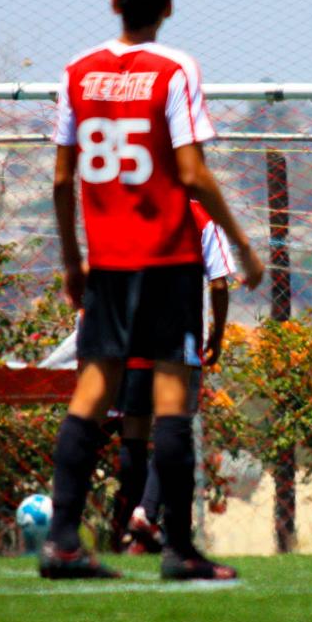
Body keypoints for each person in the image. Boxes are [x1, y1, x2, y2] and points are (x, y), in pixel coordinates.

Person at [43, 0, 262, 581]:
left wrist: (71, 259)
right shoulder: (175, 69)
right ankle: (179, 549)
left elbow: (62, 177)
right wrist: (243, 245)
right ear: (168, 6)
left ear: (115, 2)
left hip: (106, 263)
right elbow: (191, 173)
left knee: (91, 394)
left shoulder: (77, 73)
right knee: (172, 400)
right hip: (166, 259)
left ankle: (62, 541)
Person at [119, 198, 235, 554]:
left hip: (132, 337)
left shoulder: (135, 209)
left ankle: (128, 526)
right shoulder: (203, 217)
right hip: (179, 338)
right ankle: (148, 513)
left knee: (134, 429)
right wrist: (216, 336)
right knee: (175, 426)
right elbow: (218, 283)